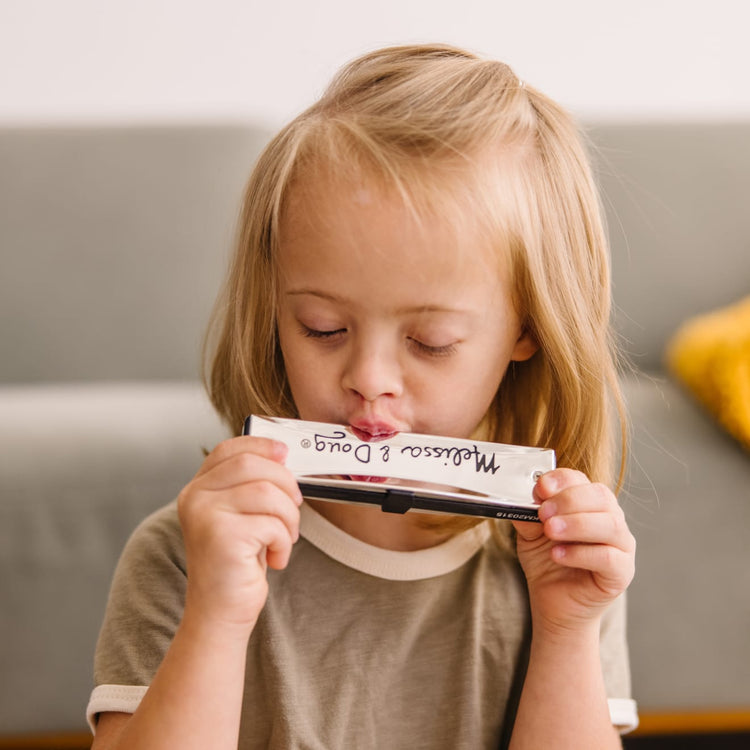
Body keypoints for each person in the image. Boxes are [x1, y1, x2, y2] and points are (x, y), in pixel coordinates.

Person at [87, 43, 638, 749]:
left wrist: (566, 630)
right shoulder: (182, 556)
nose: (368, 376)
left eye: (431, 340)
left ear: (528, 328)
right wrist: (216, 616)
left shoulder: (558, 567)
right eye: (324, 327)